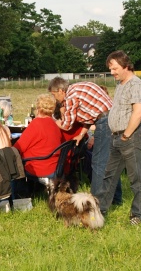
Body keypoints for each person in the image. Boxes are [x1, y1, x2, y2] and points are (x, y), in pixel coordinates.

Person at [98, 50, 141, 224]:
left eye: (114, 68)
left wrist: (126, 136)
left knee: (136, 178)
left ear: (126, 65)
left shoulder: (135, 84)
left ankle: (138, 215)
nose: (112, 72)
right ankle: (99, 211)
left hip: (130, 137)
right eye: (110, 69)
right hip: (117, 137)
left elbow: (138, 112)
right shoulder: (120, 84)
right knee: (109, 176)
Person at [48, 77, 112, 209]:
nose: (55, 99)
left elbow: (66, 125)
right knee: (111, 162)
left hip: (104, 122)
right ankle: (115, 198)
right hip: (109, 118)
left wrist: (52, 122)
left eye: (54, 95)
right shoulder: (79, 87)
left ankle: (96, 204)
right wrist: (81, 134)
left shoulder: (71, 96)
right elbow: (91, 114)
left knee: (98, 164)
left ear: (60, 90)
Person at [13, 94, 64, 188]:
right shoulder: (54, 124)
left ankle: (18, 196)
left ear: (38, 108)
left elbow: (18, 148)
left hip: (39, 168)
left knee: (13, 162)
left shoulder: (36, 124)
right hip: (55, 166)